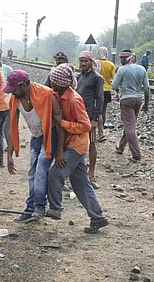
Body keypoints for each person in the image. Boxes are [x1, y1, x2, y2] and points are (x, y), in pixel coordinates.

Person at [47, 63, 109, 234]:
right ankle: (98, 218)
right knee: (81, 184)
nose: (53, 85)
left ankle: (56, 208)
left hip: (76, 144)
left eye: (56, 83)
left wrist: (63, 123)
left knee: (55, 174)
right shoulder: (58, 95)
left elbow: (85, 125)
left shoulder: (74, 100)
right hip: (70, 142)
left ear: (65, 83)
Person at [4, 69, 64, 222]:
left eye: (14, 89)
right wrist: (9, 154)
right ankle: (31, 208)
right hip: (36, 137)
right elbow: (12, 127)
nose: (12, 93)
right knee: (32, 172)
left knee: (40, 170)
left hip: (50, 136)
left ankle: (39, 207)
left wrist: (59, 150)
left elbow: (60, 122)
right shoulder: (15, 99)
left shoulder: (46, 94)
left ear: (24, 85)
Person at [111, 50, 150, 162]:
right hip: (138, 99)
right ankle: (121, 147)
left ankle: (136, 154)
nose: (121, 60)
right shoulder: (142, 69)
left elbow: (113, 86)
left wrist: (118, 90)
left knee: (129, 126)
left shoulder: (122, 70)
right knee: (130, 124)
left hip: (126, 100)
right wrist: (146, 103)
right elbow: (147, 88)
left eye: (122, 58)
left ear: (126, 59)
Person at [76, 51, 104, 189]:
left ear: (90, 62)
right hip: (78, 115)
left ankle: (91, 173)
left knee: (91, 143)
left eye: (85, 61)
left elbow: (100, 99)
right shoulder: (78, 77)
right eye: (81, 61)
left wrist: (95, 119)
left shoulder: (97, 78)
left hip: (89, 115)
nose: (82, 63)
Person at [95, 47, 116, 143]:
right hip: (107, 90)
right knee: (103, 111)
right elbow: (113, 77)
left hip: (96, 89)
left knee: (96, 110)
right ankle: (101, 129)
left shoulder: (95, 63)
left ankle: (98, 131)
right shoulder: (111, 64)